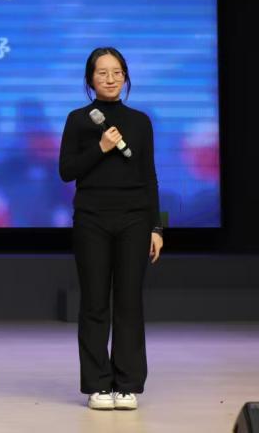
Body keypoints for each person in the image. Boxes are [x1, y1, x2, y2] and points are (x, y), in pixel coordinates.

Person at [59, 47, 163, 411]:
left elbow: (149, 177)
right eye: (102, 72)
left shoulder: (140, 122)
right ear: (90, 79)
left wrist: (156, 226)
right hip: (92, 220)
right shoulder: (78, 120)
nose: (110, 79)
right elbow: (66, 171)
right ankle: (97, 384)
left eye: (117, 72)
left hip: (135, 220)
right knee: (94, 302)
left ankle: (127, 384)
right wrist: (101, 148)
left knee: (129, 302)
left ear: (126, 77)